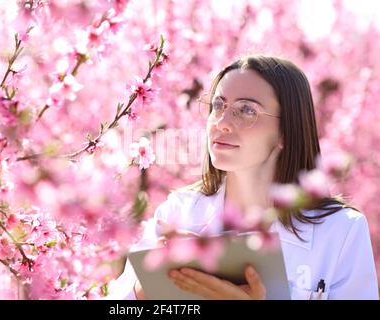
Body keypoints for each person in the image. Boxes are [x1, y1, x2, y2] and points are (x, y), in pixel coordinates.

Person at [107, 54, 379, 300]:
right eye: (218, 105)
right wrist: (150, 288)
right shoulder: (178, 211)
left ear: (285, 131)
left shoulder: (340, 231)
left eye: (247, 110)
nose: (222, 122)